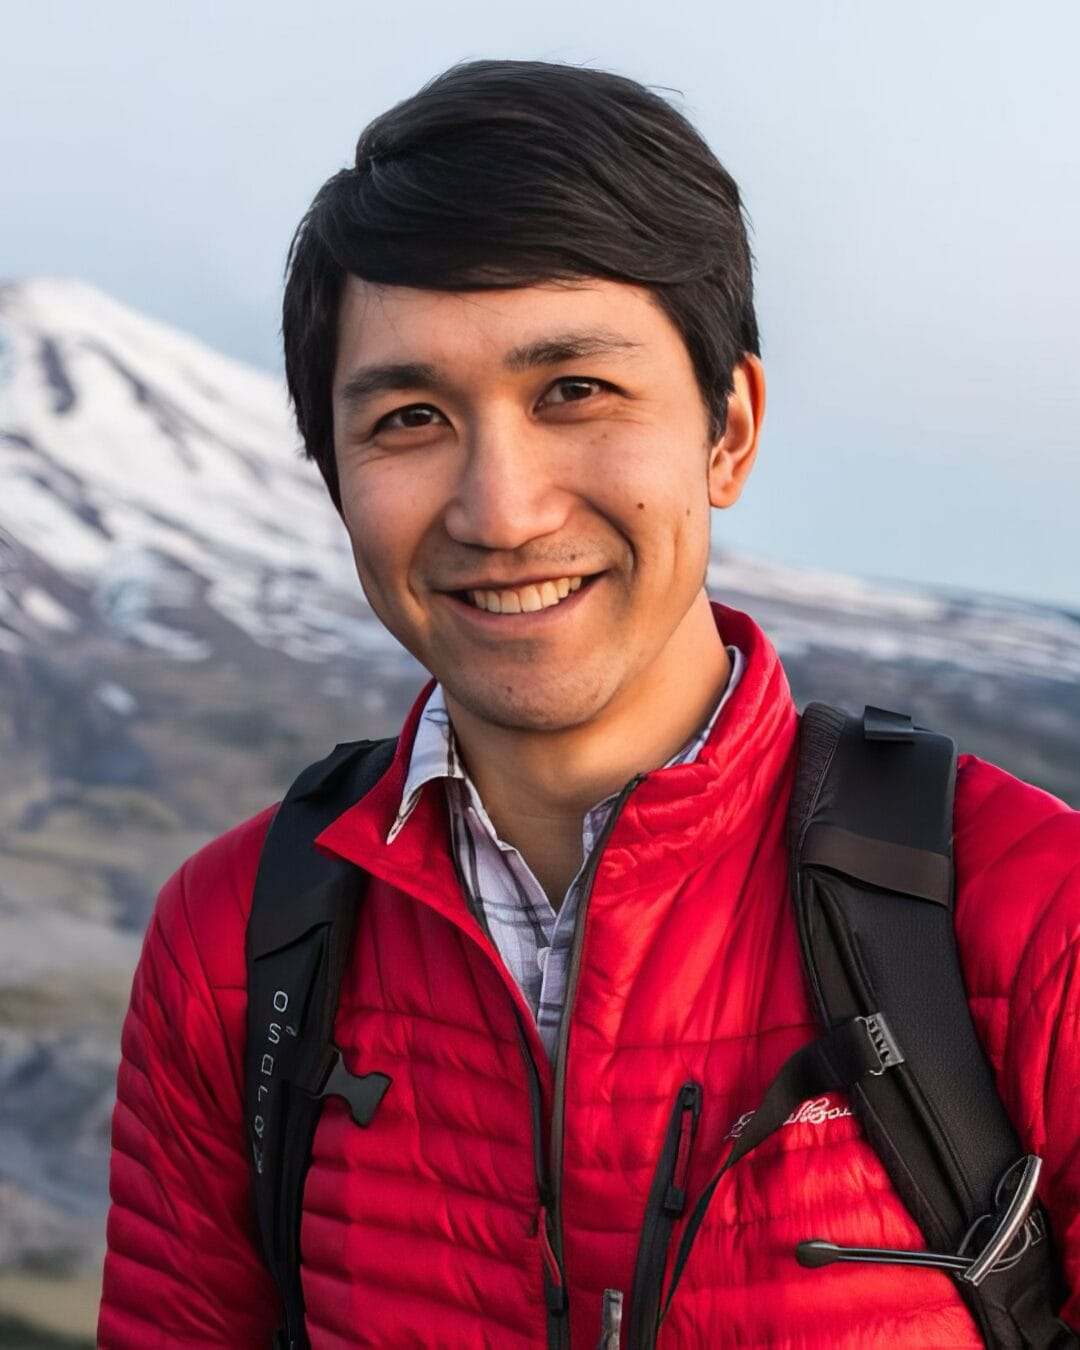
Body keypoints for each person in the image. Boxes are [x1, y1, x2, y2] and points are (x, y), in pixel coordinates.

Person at [97, 60, 1079, 1348]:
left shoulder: (1030, 912)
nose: (500, 510)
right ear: (334, 479)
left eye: (575, 391)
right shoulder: (233, 944)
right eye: (408, 416)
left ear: (729, 428)